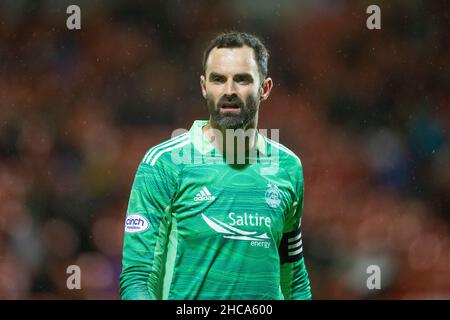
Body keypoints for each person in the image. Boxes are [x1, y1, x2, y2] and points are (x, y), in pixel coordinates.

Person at [119, 31, 312, 300]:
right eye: (218, 79)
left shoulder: (288, 167)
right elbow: (137, 278)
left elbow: (294, 276)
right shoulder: (164, 164)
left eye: (242, 79)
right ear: (203, 86)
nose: (229, 91)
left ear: (264, 88)